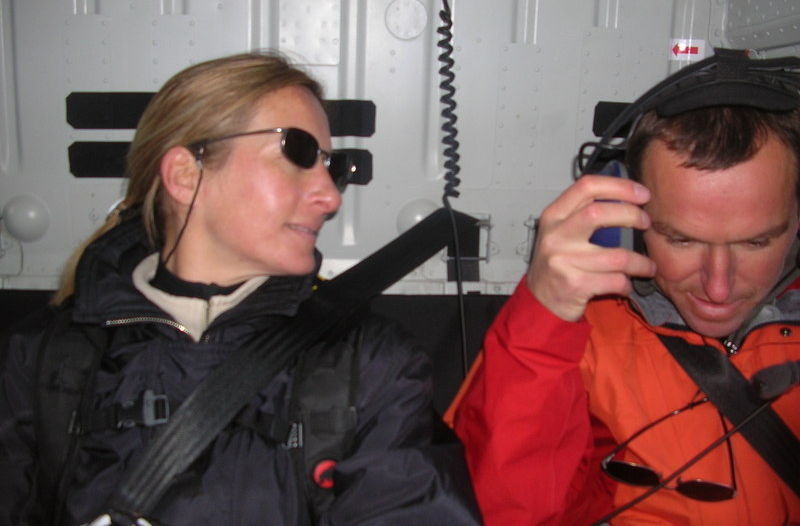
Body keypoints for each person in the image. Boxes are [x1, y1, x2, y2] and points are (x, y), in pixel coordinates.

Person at [0, 52, 481, 526]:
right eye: (297, 153)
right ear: (186, 174)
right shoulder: (42, 357)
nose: (331, 197)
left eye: (331, 168)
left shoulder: (369, 362)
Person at [447, 49, 800, 525]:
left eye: (756, 242)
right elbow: (500, 513)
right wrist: (542, 321)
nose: (718, 288)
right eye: (681, 239)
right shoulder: (581, 333)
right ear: (627, 221)